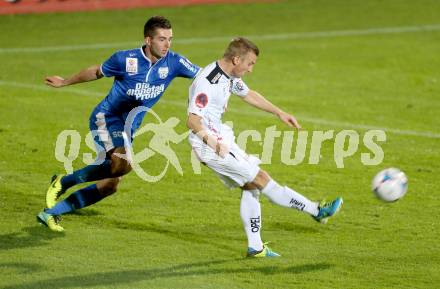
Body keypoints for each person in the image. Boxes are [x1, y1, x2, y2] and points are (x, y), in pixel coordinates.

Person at [37, 16, 200, 232]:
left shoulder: (174, 62)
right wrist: (65, 81)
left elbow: (205, 76)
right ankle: (63, 182)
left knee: (110, 184)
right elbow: (96, 71)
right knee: (124, 164)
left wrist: (214, 98)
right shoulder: (125, 59)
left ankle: (51, 213)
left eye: (170, 39)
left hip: (128, 128)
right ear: (148, 40)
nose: (167, 44)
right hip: (107, 118)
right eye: (162, 39)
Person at [186, 37, 343, 257]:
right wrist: (214, 144)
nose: (250, 70)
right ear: (236, 59)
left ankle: (255, 247)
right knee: (261, 179)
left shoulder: (228, 75)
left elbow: (248, 93)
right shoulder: (208, 82)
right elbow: (192, 121)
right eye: (249, 64)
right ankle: (316, 210)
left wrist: (279, 112)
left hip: (221, 138)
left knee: (251, 186)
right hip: (210, 144)